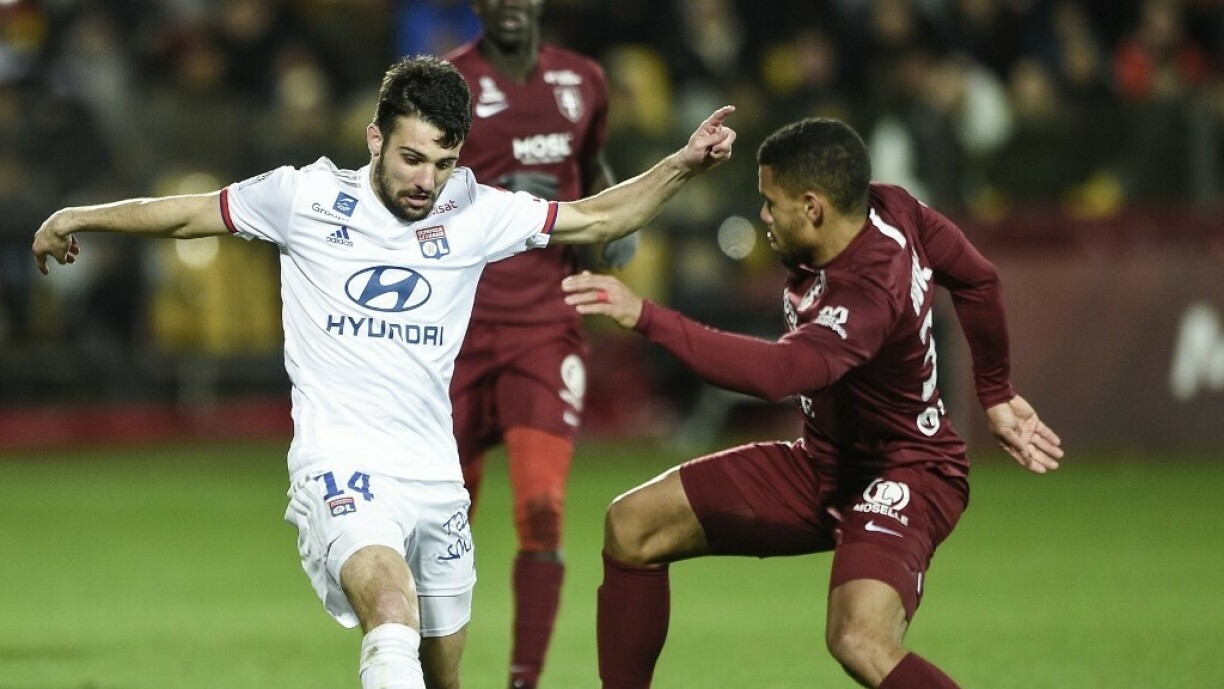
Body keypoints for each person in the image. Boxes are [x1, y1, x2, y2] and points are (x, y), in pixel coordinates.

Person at [31, 55, 736, 689]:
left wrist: (683, 164)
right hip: (339, 463)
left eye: (444, 161)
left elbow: (596, 220)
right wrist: (78, 217)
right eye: (411, 158)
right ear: (375, 139)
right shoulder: (303, 198)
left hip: (434, 475)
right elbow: (187, 216)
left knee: (442, 676)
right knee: (390, 609)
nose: (427, 180)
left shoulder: (476, 211)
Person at [561, 117, 1063, 689]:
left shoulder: (868, 293)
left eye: (771, 204)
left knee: (859, 638)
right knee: (633, 526)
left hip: (907, 472)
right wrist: (996, 393)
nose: (764, 217)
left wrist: (646, 317)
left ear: (813, 206)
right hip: (824, 464)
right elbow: (978, 279)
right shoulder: (891, 207)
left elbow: (778, 373)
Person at [443, 3, 633, 687]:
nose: (511, 5)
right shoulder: (444, 85)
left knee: (543, 507)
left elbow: (594, 168)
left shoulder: (583, 82)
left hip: (545, 328)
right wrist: (493, 206)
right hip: (454, 330)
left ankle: (525, 680)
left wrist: (611, 223)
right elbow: (408, 191)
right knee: (442, 521)